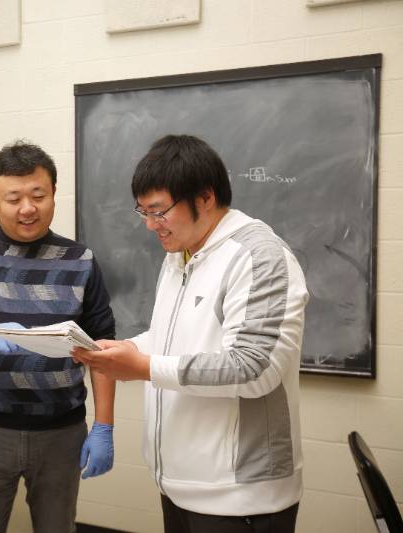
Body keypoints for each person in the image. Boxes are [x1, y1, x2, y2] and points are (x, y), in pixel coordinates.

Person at [73, 134, 308, 533]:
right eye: (143, 211)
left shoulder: (258, 257)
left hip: (240, 498)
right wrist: (129, 348)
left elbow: (253, 368)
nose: (150, 225)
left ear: (204, 198)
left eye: (159, 211)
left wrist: (144, 366)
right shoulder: (181, 253)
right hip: (181, 488)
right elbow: (176, 337)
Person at [0, 140, 117, 533]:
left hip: (61, 433)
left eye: (38, 195)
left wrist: (104, 425)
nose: (27, 208)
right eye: (13, 198)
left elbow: (103, 349)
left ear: (53, 196)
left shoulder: (81, 260)